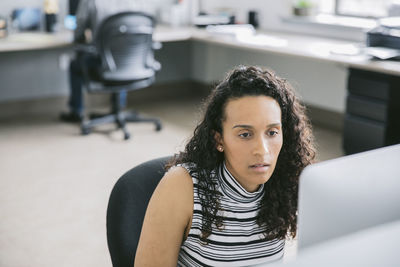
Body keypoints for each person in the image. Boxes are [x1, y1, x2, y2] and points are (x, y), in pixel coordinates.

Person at [135, 65, 316, 266]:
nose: (262, 150)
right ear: (219, 140)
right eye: (245, 134)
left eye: (272, 132)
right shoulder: (183, 187)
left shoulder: (286, 182)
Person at [60, 0, 150, 122]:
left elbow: (79, 32)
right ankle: (118, 107)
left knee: (75, 64)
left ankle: (76, 111)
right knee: (121, 58)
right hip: (135, 64)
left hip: (104, 66)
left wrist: (82, 39)